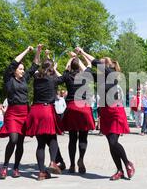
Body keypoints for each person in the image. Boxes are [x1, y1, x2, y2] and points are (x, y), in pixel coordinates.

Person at [76, 47, 134, 181]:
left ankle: (127, 163)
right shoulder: (101, 77)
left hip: (115, 111)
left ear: (107, 65)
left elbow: (94, 62)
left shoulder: (111, 73)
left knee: (114, 142)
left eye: (101, 63)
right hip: (105, 112)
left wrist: (83, 51)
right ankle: (119, 170)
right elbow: (87, 69)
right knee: (111, 143)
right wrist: (77, 57)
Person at [0, 45, 39, 180]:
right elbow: (14, 62)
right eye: (20, 69)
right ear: (14, 71)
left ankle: (15, 168)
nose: (23, 71)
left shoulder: (25, 79)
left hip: (24, 112)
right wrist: (27, 50)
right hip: (13, 112)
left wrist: (38, 51)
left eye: (23, 69)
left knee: (20, 142)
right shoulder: (8, 80)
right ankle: (5, 166)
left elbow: (34, 66)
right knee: (13, 139)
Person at [25, 46, 65, 180]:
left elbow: (36, 65)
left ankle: (42, 172)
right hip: (47, 110)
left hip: (35, 110)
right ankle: (53, 161)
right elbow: (63, 77)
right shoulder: (54, 78)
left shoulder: (36, 77)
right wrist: (55, 68)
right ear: (52, 69)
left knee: (40, 143)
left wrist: (40, 53)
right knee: (52, 138)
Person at [56, 52, 95, 174]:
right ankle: (81, 160)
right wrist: (79, 55)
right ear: (79, 67)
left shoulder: (67, 75)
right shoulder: (85, 75)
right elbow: (89, 64)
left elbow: (64, 72)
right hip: (84, 107)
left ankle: (72, 164)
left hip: (72, 107)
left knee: (72, 138)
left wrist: (71, 59)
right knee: (83, 137)